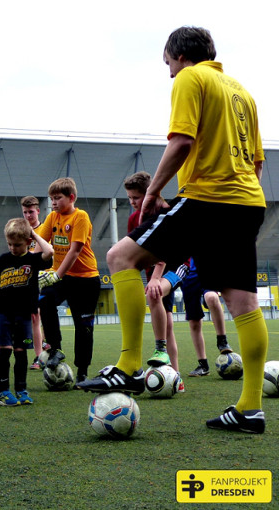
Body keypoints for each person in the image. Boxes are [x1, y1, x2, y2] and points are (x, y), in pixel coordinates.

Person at [79, 27, 268, 434]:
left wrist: (154, 191)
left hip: (208, 198)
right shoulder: (242, 93)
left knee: (119, 257)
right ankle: (250, 408)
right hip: (248, 202)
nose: (168, 73)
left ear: (179, 55)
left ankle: (129, 365)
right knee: (242, 300)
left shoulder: (190, 77)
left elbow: (181, 141)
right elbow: (256, 163)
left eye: (167, 63)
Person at [124, 172, 186, 392]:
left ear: (151, 194)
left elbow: (165, 251)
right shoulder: (134, 219)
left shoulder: (165, 212)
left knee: (154, 292)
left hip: (175, 265)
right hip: (153, 269)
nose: (133, 203)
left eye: (136, 198)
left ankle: (160, 349)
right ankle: (176, 378)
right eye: (130, 198)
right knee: (167, 324)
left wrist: (156, 277)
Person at [37, 177, 101, 386]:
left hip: (86, 280)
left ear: (71, 197)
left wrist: (56, 275)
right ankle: (55, 348)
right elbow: (40, 245)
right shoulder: (52, 217)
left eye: (58, 198)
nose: (53, 202)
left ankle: (82, 373)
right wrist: (25, 262)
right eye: (51, 199)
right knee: (44, 299)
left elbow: (74, 251)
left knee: (83, 326)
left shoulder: (80, 216)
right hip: (64, 277)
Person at [0, 218, 53, 406]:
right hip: (4, 313)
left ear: (28, 242)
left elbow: (49, 251)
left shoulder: (33, 260)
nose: (13, 248)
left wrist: (34, 234)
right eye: (10, 244)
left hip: (24, 315)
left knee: (21, 353)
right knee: (5, 351)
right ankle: (2, 391)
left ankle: (21, 389)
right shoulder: (1, 261)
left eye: (17, 244)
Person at [181, 258, 233, 377]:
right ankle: (203, 365)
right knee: (194, 322)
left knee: (211, 298)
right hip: (189, 276)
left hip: (207, 269)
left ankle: (222, 341)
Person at [20, 196, 51, 370]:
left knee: (37, 316)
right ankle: (37, 354)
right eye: (25, 212)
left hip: (43, 278)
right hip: (25, 279)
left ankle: (40, 356)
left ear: (38, 211)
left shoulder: (45, 229)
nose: (28, 215)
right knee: (31, 317)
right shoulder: (21, 230)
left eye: (31, 212)